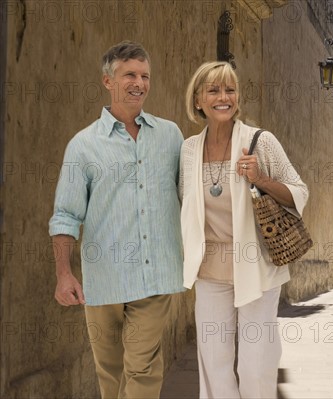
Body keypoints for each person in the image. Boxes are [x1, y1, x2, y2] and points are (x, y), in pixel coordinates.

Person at [49, 41, 184, 398]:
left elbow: (191, 197)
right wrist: (64, 273)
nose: (139, 83)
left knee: (142, 368)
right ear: (108, 81)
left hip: (155, 277)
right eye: (129, 75)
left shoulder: (170, 136)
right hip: (104, 279)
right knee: (109, 375)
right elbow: (66, 214)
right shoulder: (83, 146)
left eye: (144, 76)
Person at [179, 61, 309, 398]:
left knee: (255, 365)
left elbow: (299, 191)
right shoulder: (189, 149)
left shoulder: (258, 141)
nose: (224, 97)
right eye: (214, 90)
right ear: (198, 101)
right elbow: (185, 206)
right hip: (209, 269)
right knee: (214, 363)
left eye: (230, 90)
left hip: (257, 266)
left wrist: (260, 179)